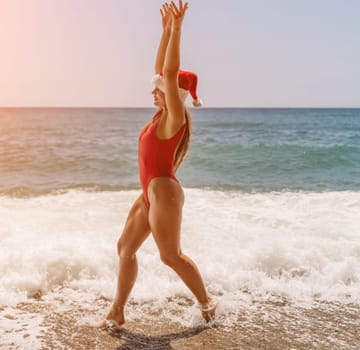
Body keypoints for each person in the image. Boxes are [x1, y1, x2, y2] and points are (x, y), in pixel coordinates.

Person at [94, 1, 217, 329]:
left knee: (169, 256)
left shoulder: (173, 119)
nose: (153, 90)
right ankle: (117, 312)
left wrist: (177, 30)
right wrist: (163, 31)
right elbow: (162, 71)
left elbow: (171, 73)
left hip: (164, 191)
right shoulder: (159, 117)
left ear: (173, 95)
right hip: (149, 192)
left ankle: (208, 304)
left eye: (159, 89)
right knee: (125, 248)